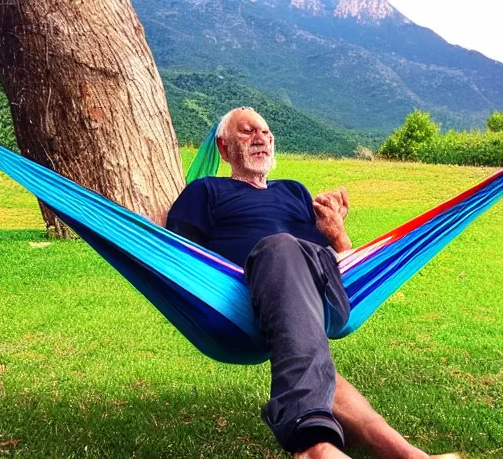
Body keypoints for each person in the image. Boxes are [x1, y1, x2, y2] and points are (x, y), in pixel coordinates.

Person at [166, 107, 460, 459]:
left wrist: (339, 233)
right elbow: (180, 258)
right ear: (224, 148)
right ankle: (408, 455)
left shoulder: (294, 191)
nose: (261, 138)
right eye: (247, 132)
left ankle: (313, 445)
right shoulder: (206, 191)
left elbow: (337, 261)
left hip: (327, 291)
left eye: (266, 132)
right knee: (303, 341)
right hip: (250, 296)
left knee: (284, 249)